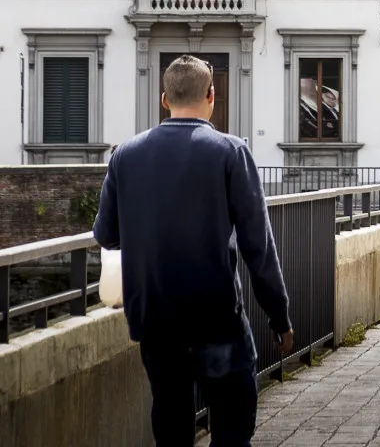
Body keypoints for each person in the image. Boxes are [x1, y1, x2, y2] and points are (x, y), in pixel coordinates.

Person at [94, 55, 293, 447]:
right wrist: (279, 317)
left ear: (164, 99)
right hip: (216, 318)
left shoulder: (125, 156)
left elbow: (107, 235)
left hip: (155, 322)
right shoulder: (230, 152)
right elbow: (258, 247)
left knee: (170, 425)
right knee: (232, 429)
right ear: (212, 95)